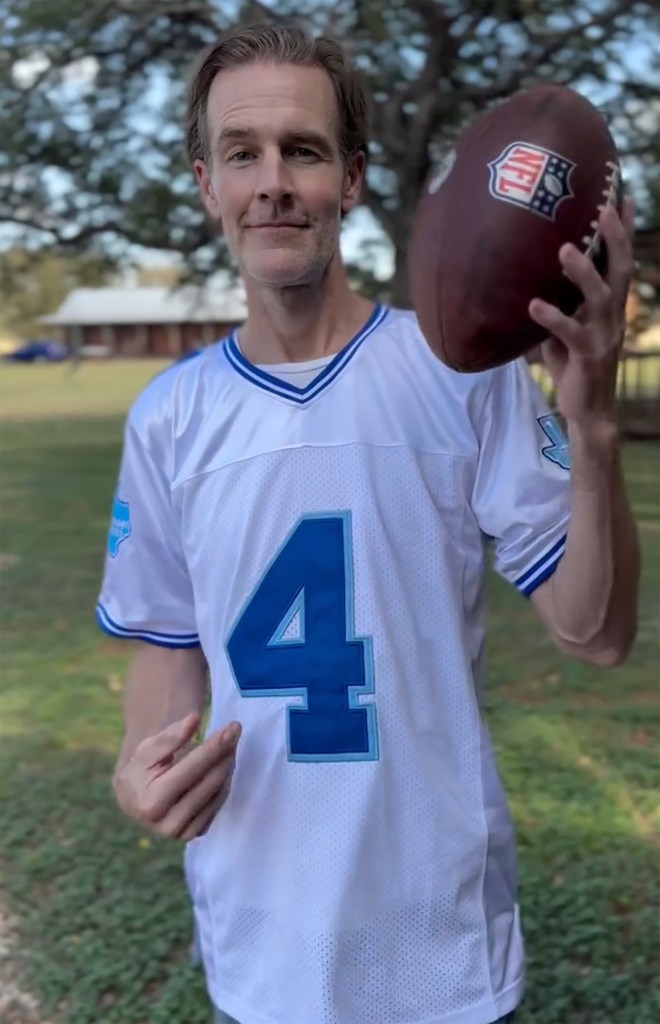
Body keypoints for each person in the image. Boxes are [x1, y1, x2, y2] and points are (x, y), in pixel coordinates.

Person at [96, 23, 640, 1024]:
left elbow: (595, 632)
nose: (273, 183)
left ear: (351, 178)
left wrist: (592, 423)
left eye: (303, 151)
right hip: (261, 946)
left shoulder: (455, 371)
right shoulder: (169, 419)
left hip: (442, 953)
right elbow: (166, 639)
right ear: (206, 182)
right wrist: (142, 766)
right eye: (242, 153)